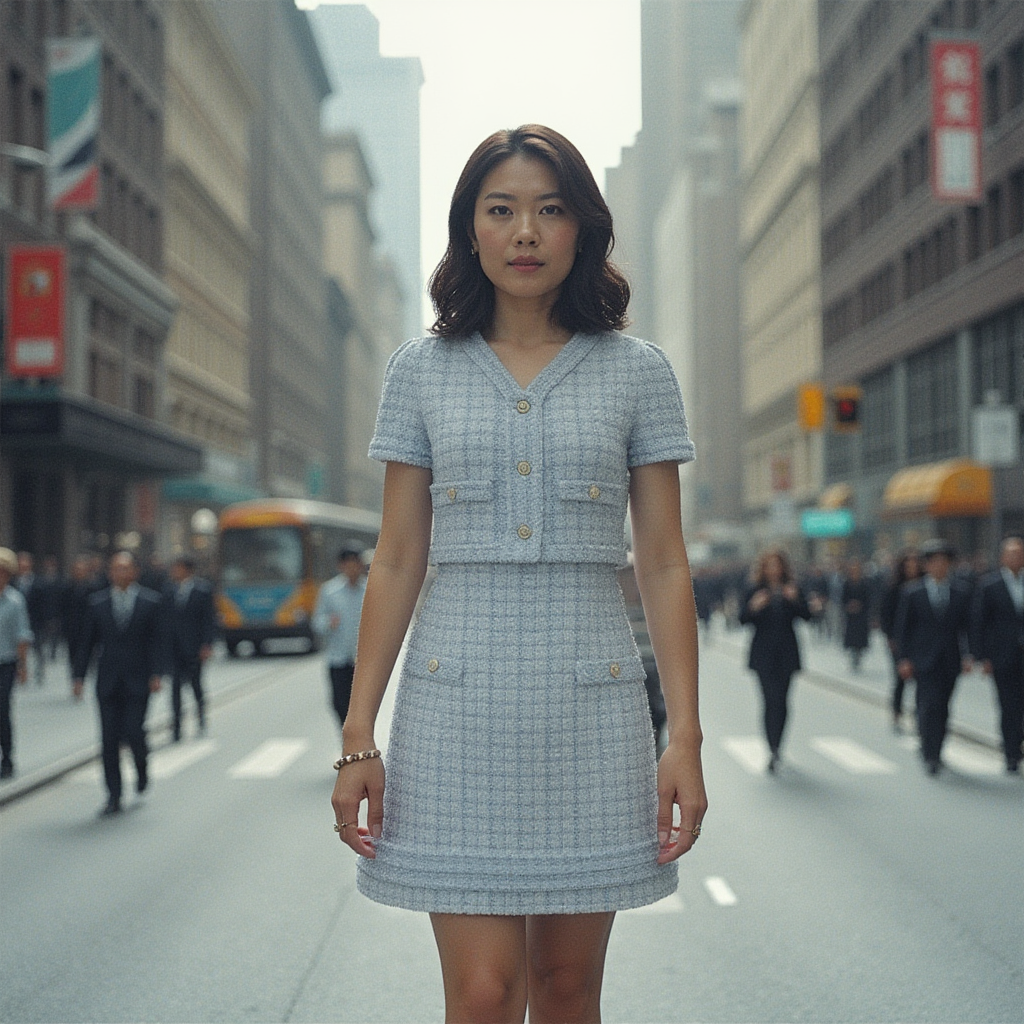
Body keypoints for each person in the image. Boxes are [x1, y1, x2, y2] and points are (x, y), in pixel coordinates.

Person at [330, 125, 706, 1024]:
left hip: (593, 709)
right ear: (470, 231)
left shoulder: (638, 371)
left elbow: (662, 562)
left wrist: (685, 736)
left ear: (583, 229)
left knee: (569, 991)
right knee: (484, 994)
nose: (526, 231)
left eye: (550, 209)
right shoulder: (418, 372)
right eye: (501, 211)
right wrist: (357, 735)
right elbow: (395, 557)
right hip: (454, 711)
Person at [73, 551, 165, 815]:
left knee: (134, 731)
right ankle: (113, 794)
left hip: (138, 680)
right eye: (115, 569)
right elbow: (87, 643)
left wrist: (157, 673)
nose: (119, 573)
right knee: (109, 738)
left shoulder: (150, 602)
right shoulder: (97, 603)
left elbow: (157, 641)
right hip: (108, 680)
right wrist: (78, 676)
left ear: (135, 572)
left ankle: (141, 767)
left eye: (125, 568)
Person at [894, 538, 972, 775]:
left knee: (944, 706)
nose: (939, 566)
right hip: (923, 659)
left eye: (944, 562)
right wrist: (904, 659)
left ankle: (937, 747)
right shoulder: (912, 592)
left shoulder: (960, 592)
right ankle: (929, 751)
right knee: (928, 705)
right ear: (927, 565)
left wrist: (968, 655)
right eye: (934, 562)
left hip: (950, 659)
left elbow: (966, 627)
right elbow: (903, 629)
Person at [739, 548, 811, 772]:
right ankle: (772, 747)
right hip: (763, 654)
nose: (773, 569)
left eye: (777, 565)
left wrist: (794, 600)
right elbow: (742, 619)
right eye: (769, 565)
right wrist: (754, 606)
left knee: (783, 701)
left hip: (787, 652)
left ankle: (779, 744)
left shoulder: (792, 588)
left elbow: (807, 616)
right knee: (770, 699)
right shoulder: (754, 589)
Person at [971, 536, 1024, 774]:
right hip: (1003, 657)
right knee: (1009, 705)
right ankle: (1011, 752)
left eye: (1020, 553)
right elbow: (979, 622)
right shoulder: (989, 585)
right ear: (1003, 558)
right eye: (1012, 554)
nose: (1016, 558)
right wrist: (983, 657)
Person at [312, 546, 367, 736]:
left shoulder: (370, 590)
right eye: (348, 564)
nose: (352, 569)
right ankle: (346, 740)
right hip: (337, 658)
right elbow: (316, 622)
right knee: (339, 703)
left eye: (356, 564)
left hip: (362, 660)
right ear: (341, 566)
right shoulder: (329, 591)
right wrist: (329, 622)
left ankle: (360, 742)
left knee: (363, 706)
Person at [163, 555, 216, 742]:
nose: (174, 572)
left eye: (178, 568)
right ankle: (176, 727)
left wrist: (207, 644)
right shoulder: (168, 591)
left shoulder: (203, 590)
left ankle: (201, 716)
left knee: (196, 685)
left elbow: (209, 619)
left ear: (187, 569)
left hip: (195, 647)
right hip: (174, 648)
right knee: (175, 688)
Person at [879, 548, 922, 731]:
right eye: (908, 564)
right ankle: (897, 711)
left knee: (922, 679)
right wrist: (890, 637)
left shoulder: (924, 585)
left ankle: (921, 715)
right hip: (899, 639)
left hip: (921, 640)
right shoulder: (894, 587)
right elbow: (886, 615)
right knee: (900, 678)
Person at [0, 548, 33, 779]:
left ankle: (7, 757)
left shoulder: (14, 600)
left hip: (6, 662)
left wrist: (22, 665)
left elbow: (22, 635)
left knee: (2, 710)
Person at [14, 552, 47, 685]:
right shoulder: (13, 582)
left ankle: (39, 671)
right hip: (17, 623)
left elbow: (43, 604)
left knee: (38, 648)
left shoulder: (38, 583)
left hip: (35, 621)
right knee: (18, 649)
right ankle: (21, 670)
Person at [841, 557, 871, 673]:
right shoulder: (847, 583)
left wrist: (860, 606)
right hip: (851, 616)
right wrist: (849, 605)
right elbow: (843, 598)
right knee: (851, 637)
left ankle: (859, 654)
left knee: (860, 638)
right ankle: (853, 655)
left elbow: (868, 599)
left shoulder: (864, 583)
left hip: (861, 616)